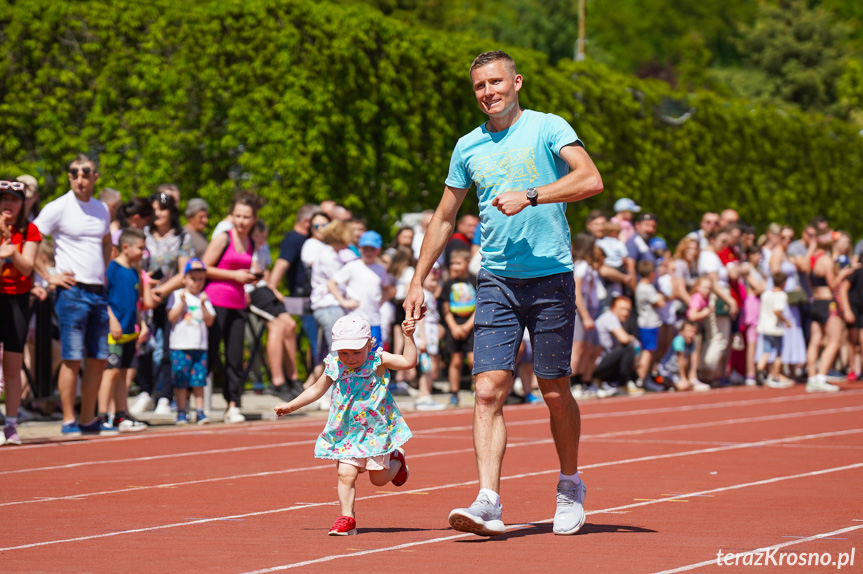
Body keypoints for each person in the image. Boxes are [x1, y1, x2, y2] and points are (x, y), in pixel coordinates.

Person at [403, 50, 603, 537]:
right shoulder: (467, 146)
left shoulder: (548, 126)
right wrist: (416, 280)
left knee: (554, 391)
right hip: (495, 280)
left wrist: (532, 194)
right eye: (479, 86)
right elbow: (445, 216)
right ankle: (488, 500)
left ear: (515, 82)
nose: (488, 92)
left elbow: (590, 179)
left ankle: (570, 484)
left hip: (551, 276)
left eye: (495, 82)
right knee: (488, 389)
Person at [273, 315, 415, 536]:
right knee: (345, 475)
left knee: (378, 480)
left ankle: (397, 460)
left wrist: (408, 337)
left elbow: (408, 362)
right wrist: (291, 406)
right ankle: (347, 518)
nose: (349, 358)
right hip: (346, 432)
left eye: (356, 352)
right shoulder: (334, 365)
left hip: (374, 432)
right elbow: (315, 390)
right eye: (344, 353)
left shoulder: (378, 360)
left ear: (370, 344)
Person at [33, 154, 112, 436]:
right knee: (72, 357)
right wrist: (48, 274)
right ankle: (68, 419)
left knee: (100, 357)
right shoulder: (59, 207)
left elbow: (106, 241)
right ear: (69, 177)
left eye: (85, 172)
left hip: (97, 292)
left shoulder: (102, 208)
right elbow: (32, 235)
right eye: (74, 172)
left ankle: (88, 419)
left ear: (95, 177)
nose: (80, 177)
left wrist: (102, 272)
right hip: (72, 292)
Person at [202, 192, 261, 423]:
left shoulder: (252, 242)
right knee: (210, 351)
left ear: (254, 218)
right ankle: (198, 403)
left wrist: (248, 280)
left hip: (238, 303)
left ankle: (232, 404)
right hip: (216, 301)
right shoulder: (223, 237)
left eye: (246, 217)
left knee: (235, 355)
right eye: (237, 216)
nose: (241, 221)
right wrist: (233, 275)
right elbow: (203, 267)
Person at [0, 179, 42, 445]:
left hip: (17, 300)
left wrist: (10, 251)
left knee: (13, 366)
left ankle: (12, 424)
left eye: (14, 199)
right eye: (4, 198)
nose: (9, 204)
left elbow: (27, 267)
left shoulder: (30, 229)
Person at [98, 228, 149, 433]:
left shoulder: (135, 271)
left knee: (123, 373)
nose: (143, 253)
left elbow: (135, 302)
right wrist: (112, 320)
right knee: (110, 372)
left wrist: (142, 324)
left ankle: (120, 414)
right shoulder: (111, 269)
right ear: (125, 247)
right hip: (113, 332)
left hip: (129, 331)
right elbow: (104, 297)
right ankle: (102, 415)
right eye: (140, 248)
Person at [167, 258, 216, 424]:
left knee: (199, 380)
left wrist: (203, 304)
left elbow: (210, 321)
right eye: (193, 278)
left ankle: (200, 411)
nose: (196, 282)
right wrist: (181, 303)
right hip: (180, 345)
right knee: (181, 380)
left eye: (200, 279)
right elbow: (172, 318)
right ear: (184, 279)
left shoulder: (204, 298)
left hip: (200, 345)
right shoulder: (176, 295)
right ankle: (181, 412)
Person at [327, 230, 393, 350]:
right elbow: (332, 283)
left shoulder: (381, 269)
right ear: (360, 248)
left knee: (374, 356)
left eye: (372, 249)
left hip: (374, 320)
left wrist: (383, 299)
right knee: (356, 354)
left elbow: (387, 288)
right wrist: (343, 302)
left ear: (379, 250)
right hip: (355, 320)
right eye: (365, 248)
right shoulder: (353, 266)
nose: (368, 252)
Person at [804, 233, 848, 392]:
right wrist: (843, 274)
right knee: (835, 340)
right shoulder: (826, 261)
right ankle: (821, 377)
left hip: (815, 301)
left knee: (815, 340)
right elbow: (833, 285)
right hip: (828, 303)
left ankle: (811, 377)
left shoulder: (811, 260)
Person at [440, 247, 477, 407]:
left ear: (467, 262)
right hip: (454, 324)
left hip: (472, 325)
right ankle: (454, 393)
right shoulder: (449, 283)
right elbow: (446, 308)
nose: (454, 266)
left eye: (458, 263)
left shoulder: (476, 280)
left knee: (473, 360)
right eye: (452, 263)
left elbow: (480, 305)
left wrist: (468, 326)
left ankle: (477, 388)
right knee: (455, 360)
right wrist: (454, 327)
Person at [757, 272, 793, 388]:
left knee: (766, 351)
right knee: (778, 353)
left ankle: (759, 370)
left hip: (764, 327)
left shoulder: (766, 294)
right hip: (775, 328)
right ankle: (776, 375)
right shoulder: (781, 295)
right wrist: (786, 321)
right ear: (783, 283)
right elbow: (777, 311)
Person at [657, 320, 709, 391]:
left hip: (676, 372)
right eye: (688, 331)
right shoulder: (679, 339)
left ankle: (673, 384)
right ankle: (664, 382)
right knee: (683, 386)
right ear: (681, 332)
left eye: (693, 331)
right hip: (666, 370)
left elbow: (693, 359)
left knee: (689, 385)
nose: (691, 334)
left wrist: (693, 377)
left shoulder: (692, 342)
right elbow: (680, 360)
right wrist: (683, 378)